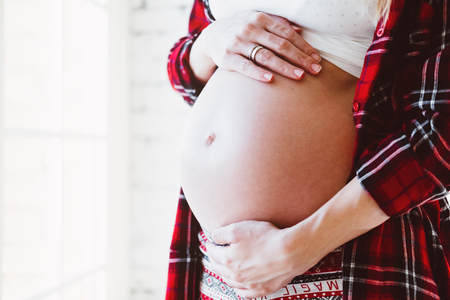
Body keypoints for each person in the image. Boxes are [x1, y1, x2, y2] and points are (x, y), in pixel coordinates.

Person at [166, 0, 450, 299]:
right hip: (219, 263)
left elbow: (440, 128)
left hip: (346, 255)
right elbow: (185, 70)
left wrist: (299, 247)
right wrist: (209, 41)